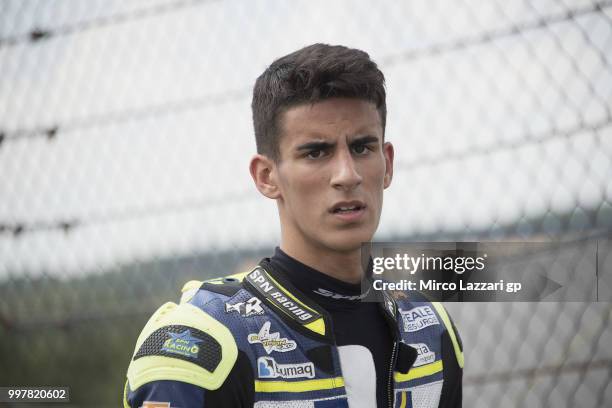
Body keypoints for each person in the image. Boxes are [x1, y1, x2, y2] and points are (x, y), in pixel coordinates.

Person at [124, 43, 463, 408]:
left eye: (363, 148)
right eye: (316, 152)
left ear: (388, 163)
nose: (347, 175)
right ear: (267, 176)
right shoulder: (202, 343)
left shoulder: (430, 328)